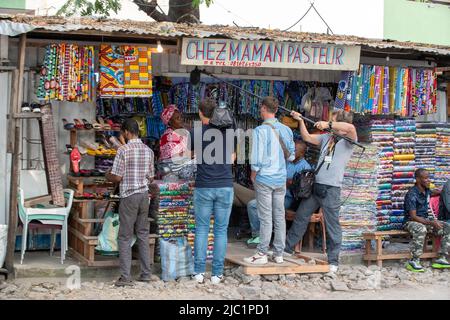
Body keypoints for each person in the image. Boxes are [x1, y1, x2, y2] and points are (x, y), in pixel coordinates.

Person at [285, 109, 357, 273]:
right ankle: (287, 249)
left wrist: (328, 124)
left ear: (339, 122)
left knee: (332, 225)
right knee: (301, 217)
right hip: (316, 186)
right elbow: (307, 138)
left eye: (333, 120)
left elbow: (351, 128)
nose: (329, 122)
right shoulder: (327, 137)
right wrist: (301, 121)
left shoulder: (348, 140)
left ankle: (333, 261)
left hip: (332, 189)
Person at [244, 96, 295, 265]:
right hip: (280, 179)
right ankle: (279, 253)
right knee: (279, 216)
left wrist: (253, 173)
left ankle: (262, 252)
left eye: (261, 108)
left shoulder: (260, 130)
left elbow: (257, 157)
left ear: (265, 108)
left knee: (265, 217)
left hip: (265, 178)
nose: (260, 111)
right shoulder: (286, 130)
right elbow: (292, 155)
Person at [234, 140, 311, 248]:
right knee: (233, 189)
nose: (292, 152)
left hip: (286, 198)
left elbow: (302, 188)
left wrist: (290, 182)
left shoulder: (305, 167)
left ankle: (258, 236)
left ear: (302, 153)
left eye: (295, 150)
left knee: (253, 205)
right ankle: (260, 234)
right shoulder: (285, 161)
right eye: (291, 149)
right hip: (269, 191)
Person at [190, 98, 235, 285]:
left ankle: (199, 272)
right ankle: (217, 274)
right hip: (225, 185)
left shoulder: (196, 132)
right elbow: (233, 159)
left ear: (201, 112)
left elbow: (190, 157)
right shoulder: (229, 131)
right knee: (221, 230)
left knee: (201, 229)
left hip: (204, 186)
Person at [106, 118, 155, 287]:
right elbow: (151, 177)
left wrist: (108, 175)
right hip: (144, 196)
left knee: (125, 237)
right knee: (142, 234)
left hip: (129, 196)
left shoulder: (123, 151)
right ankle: (146, 274)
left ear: (126, 132)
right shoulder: (148, 150)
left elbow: (117, 177)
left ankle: (125, 277)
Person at [403, 169, 450, 272]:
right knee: (421, 229)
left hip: (424, 220)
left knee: (447, 227)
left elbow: (438, 191)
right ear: (418, 179)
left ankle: (441, 258)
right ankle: (414, 260)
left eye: (429, 178)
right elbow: (413, 216)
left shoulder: (427, 190)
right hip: (410, 222)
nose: (429, 180)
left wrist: (446, 190)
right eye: (426, 178)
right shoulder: (412, 194)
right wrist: (431, 222)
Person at [159, 104, 195, 180]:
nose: (181, 120)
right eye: (177, 118)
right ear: (170, 122)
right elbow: (176, 157)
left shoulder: (184, 133)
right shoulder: (168, 136)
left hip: (183, 164)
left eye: (180, 117)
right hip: (172, 168)